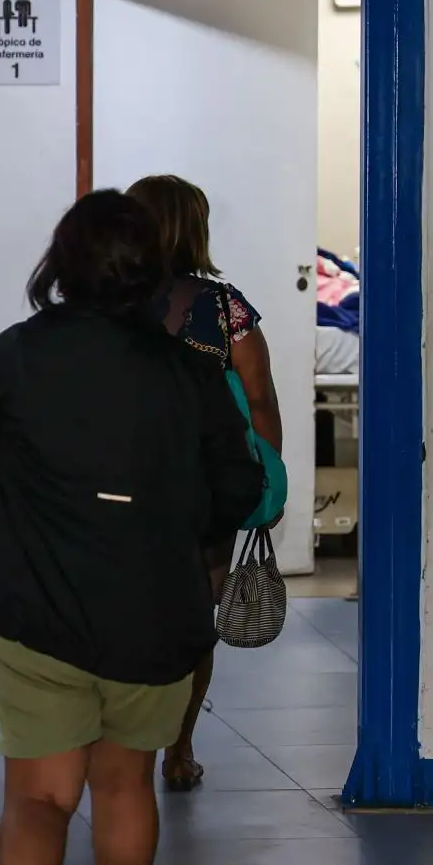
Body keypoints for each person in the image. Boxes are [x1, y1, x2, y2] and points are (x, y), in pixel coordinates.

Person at [0, 190, 264, 865]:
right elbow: (238, 488)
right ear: (151, 271)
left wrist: (21, 509)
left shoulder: (16, 354)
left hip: (36, 612)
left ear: (63, 265)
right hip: (154, 615)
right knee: (124, 785)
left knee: (41, 795)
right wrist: (172, 526)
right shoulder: (190, 369)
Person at [125, 174, 285, 793]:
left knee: (124, 616)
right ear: (197, 228)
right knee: (196, 620)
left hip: (123, 487)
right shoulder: (225, 308)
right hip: (206, 492)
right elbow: (260, 399)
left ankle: (125, 746)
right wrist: (267, 481)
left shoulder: (103, 306)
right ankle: (180, 746)